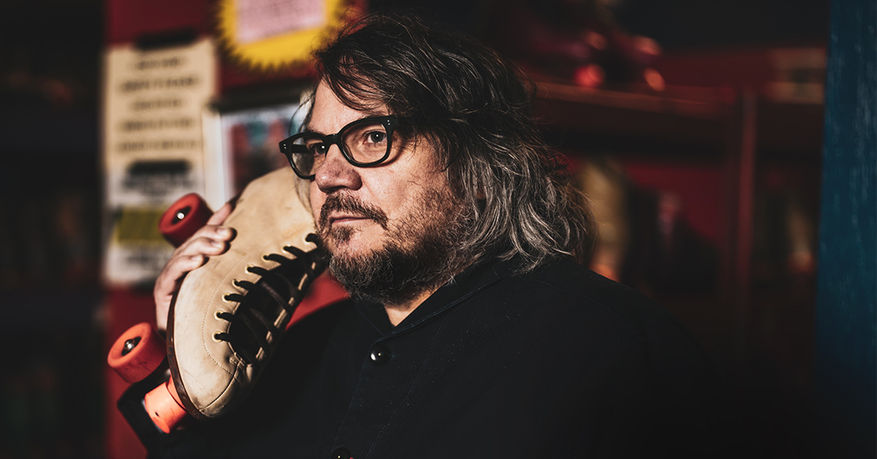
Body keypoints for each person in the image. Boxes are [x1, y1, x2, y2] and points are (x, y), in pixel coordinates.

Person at [123, 11, 727, 458]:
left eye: (372, 137)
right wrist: (178, 351)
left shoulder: (617, 350)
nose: (329, 175)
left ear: (479, 162)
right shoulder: (298, 354)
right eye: (317, 148)